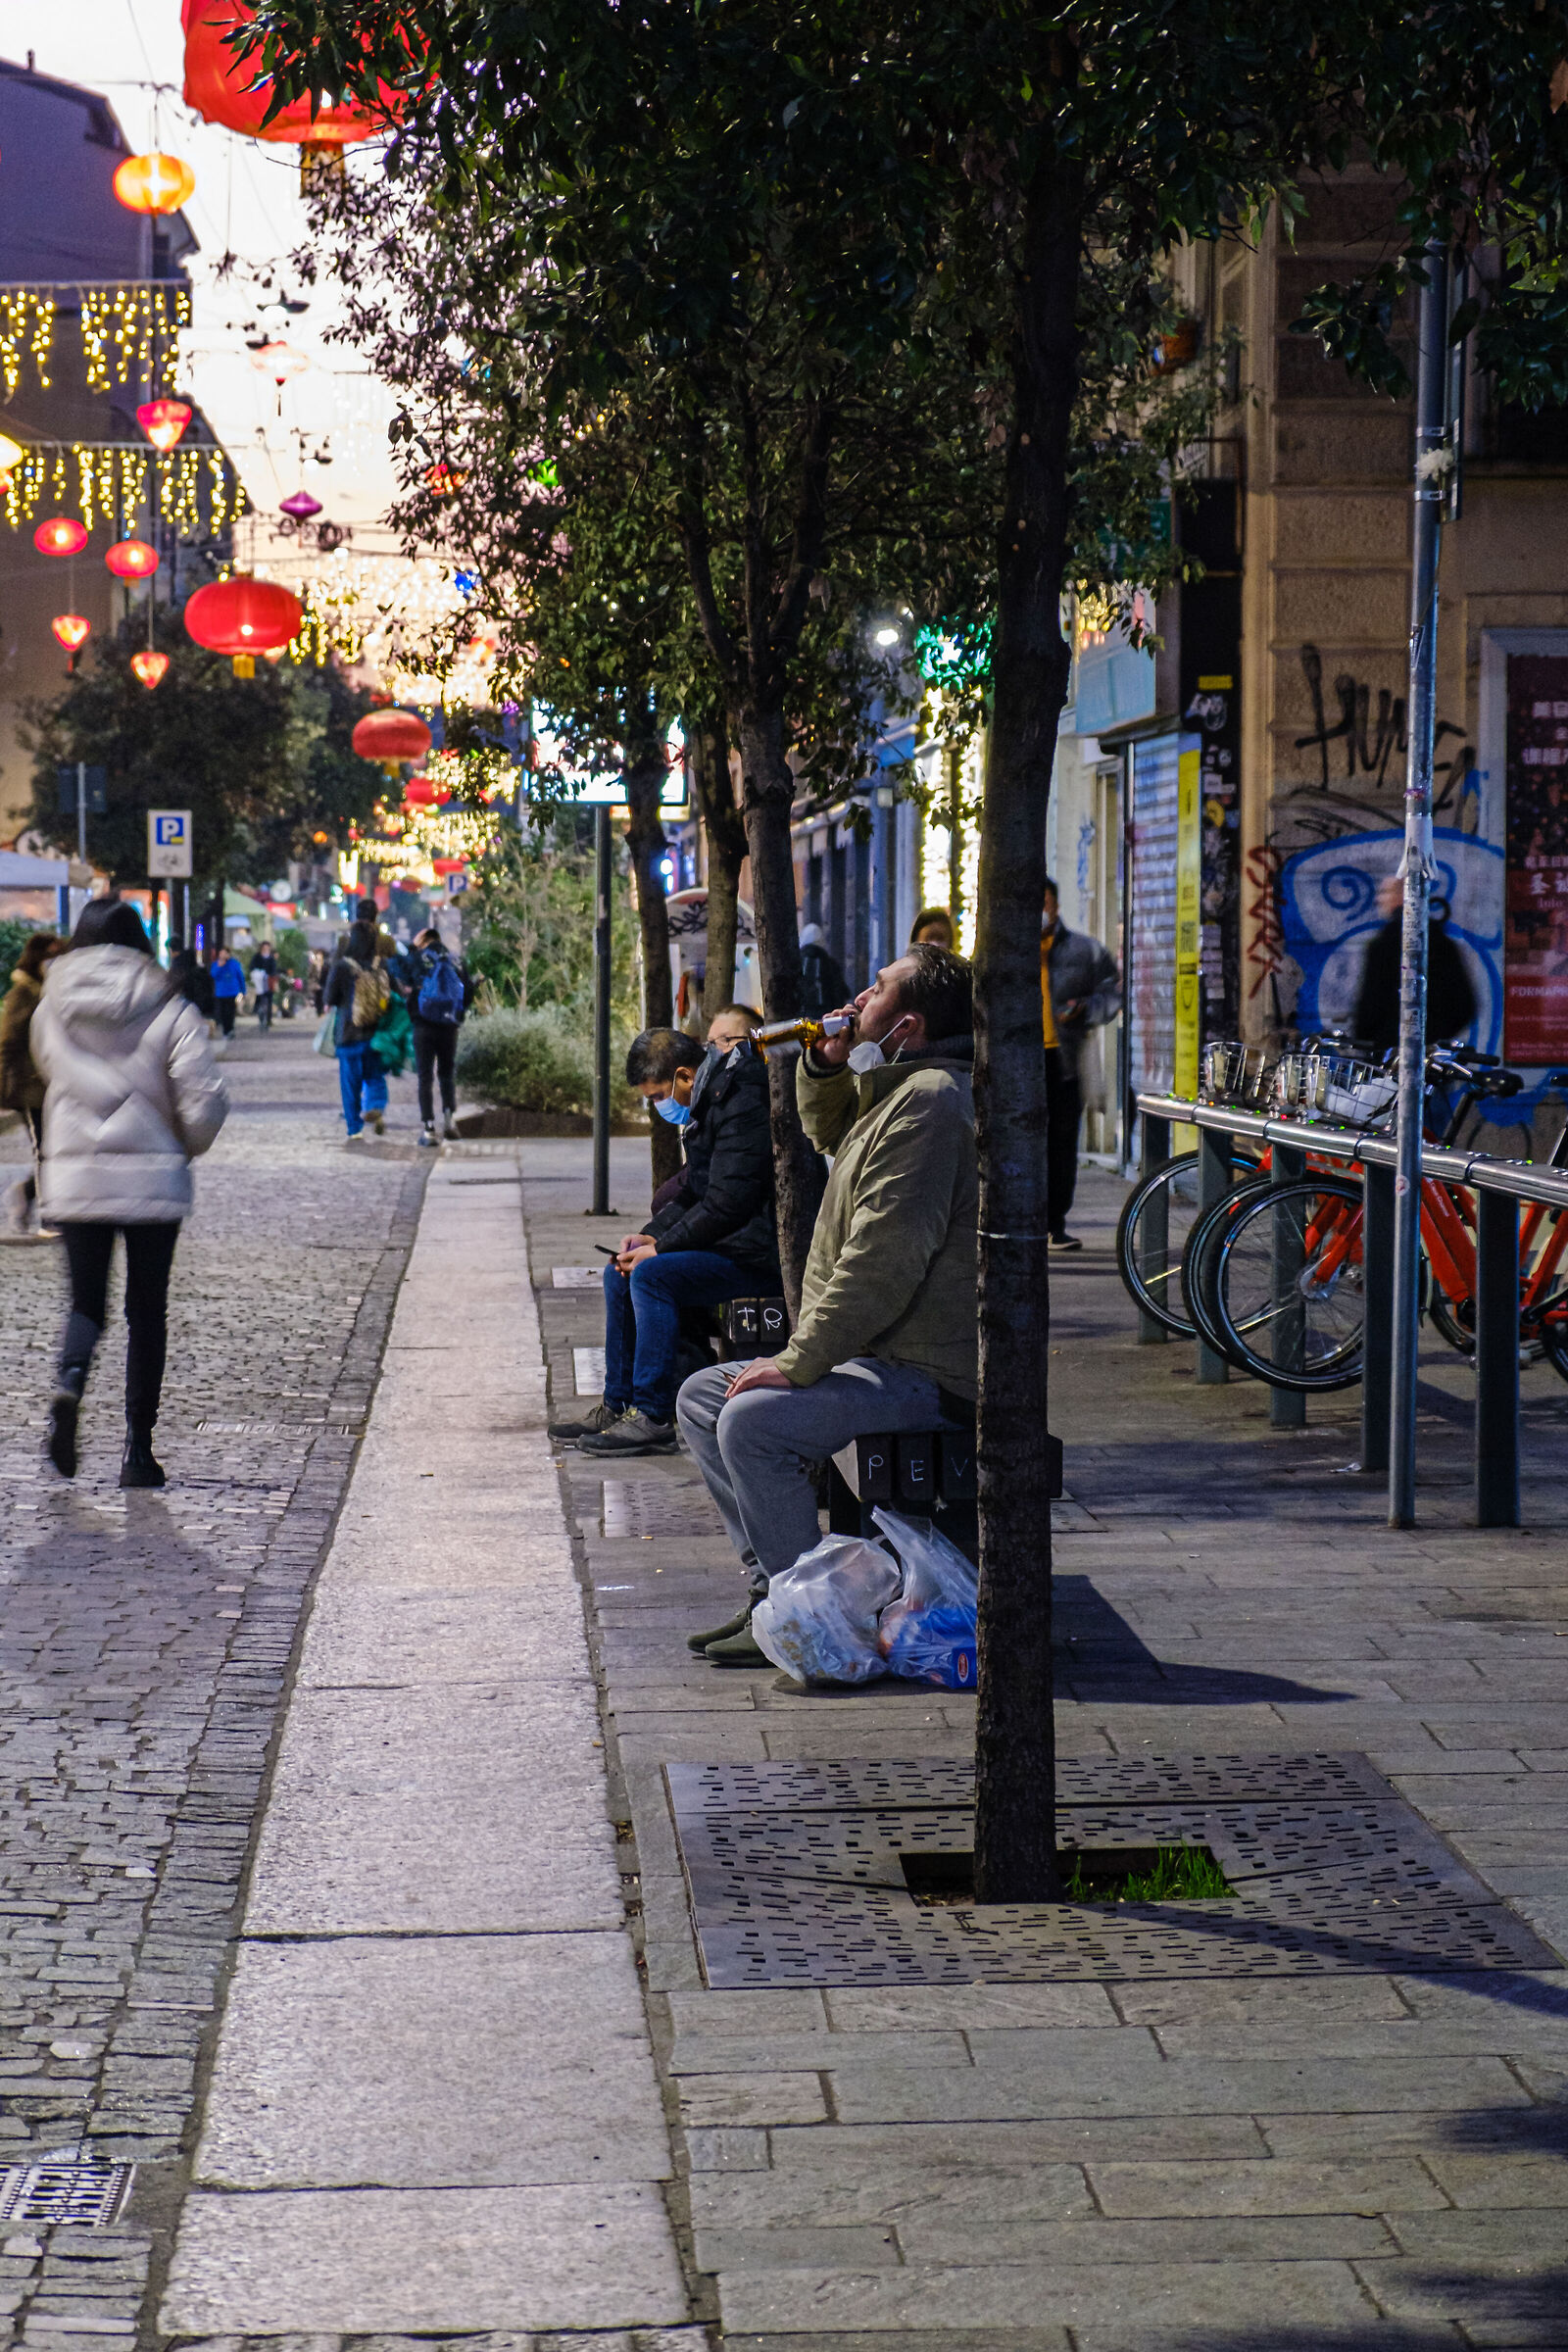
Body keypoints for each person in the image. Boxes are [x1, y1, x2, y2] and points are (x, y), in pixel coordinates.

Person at [676, 943, 976, 1664]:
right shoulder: (903, 1089)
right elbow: (833, 1132)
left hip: (924, 1370)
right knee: (702, 1397)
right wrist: (826, 1065)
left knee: (752, 1420)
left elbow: (885, 1259)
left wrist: (800, 1360)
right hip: (880, 1354)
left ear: (907, 1026)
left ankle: (816, 1624)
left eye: (877, 989)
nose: (856, 996)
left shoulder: (932, 1102)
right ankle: (775, 1598)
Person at [30, 896, 228, 1488]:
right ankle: (138, 1451)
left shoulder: (51, 1008)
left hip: (76, 1179)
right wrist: (181, 1145)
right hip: (152, 1182)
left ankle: (70, 1381)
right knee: (147, 1311)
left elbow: (50, 1077)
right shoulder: (169, 1005)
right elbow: (204, 1097)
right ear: (141, 940)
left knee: (85, 1303)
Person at [552, 1021, 782, 1459]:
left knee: (652, 1275)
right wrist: (649, 1235)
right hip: (732, 1242)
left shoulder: (739, 1101)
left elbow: (728, 1204)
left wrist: (659, 1249)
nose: (658, 1106)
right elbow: (696, 1190)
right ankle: (617, 1405)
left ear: (684, 1076)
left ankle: (653, 1415)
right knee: (620, 1270)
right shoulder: (709, 1103)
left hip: (756, 1253)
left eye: (658, 1095)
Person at [1039, 876, 1120, 1251]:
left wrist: (1085, 1009)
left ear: (1056, 905)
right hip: (1018, 1060)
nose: (1041, 911)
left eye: (1046, 902)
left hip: (1064, 1060)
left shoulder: (1083, 951)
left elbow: (1111, 989)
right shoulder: (1004, 952)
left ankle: (1055, 1222)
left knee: (1061, 1143)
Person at [1352, 874, 1478, 1054]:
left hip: (1388, 1052)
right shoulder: (1442, 942)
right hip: (1431, 1055)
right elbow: (1464, 1005)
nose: (1379, 899)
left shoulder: (1384, 944)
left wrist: (1366, 1040)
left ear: (1403, 895)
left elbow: (1371, 1003)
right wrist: (1435, 1034)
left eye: (1385, 892)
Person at [1, 931, 63, 1236]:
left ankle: (25, 1193)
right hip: (32, 1087)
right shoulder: (22, 994)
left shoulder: (53, 992)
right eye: (49, 955)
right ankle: (48, 1216)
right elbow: (8, 1043)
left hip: (56, 1085)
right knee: (45, 1150)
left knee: (56, 1149)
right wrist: (8, 1088)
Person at [324, 915, 392, 1140]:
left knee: (350, 1082)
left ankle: (355, 1128)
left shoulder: (342, 966)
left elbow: (330, 998)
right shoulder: (379, 965)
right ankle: (375, 1105)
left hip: (348, 1033)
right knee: (375, 1076)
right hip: (375, 1032)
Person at [408, 924, 470, 1146]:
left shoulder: (418, 959)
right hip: (449, 1025)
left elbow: (404, 984)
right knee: (446, 1072)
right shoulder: (455, 960)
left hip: (423, 1026)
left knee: (425, 1076)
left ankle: (428, 1129)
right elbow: (468, 992)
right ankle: (449, 1120)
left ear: (424, 940)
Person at [798, 922, 852, 1018]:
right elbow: (840, 991)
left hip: (802, 1014)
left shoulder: (797, 962)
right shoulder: (830, 963)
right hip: (826, 1015)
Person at [210, 945, 245, 1038]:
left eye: (225, 953)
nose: (223, 955)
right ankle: (226, 1030)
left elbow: (240, 977)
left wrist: (243, 990)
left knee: (230, 1012)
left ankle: (230, 1029)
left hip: (232, 992)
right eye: (221, 953)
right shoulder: (216, 964)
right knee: (222, 1012)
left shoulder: (234, 964)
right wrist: (219, 966)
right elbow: (213, 975)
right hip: (220, 992)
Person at [249, 943, 279, 1032]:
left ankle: (268, 1019)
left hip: (268, 982)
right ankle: (261, 1017)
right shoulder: (257, 957)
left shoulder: (271, 958)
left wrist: (270, 975)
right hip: (259, 983)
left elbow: (274, 969)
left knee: (269, 1001)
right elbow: (252, 967)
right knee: (260, 1000)